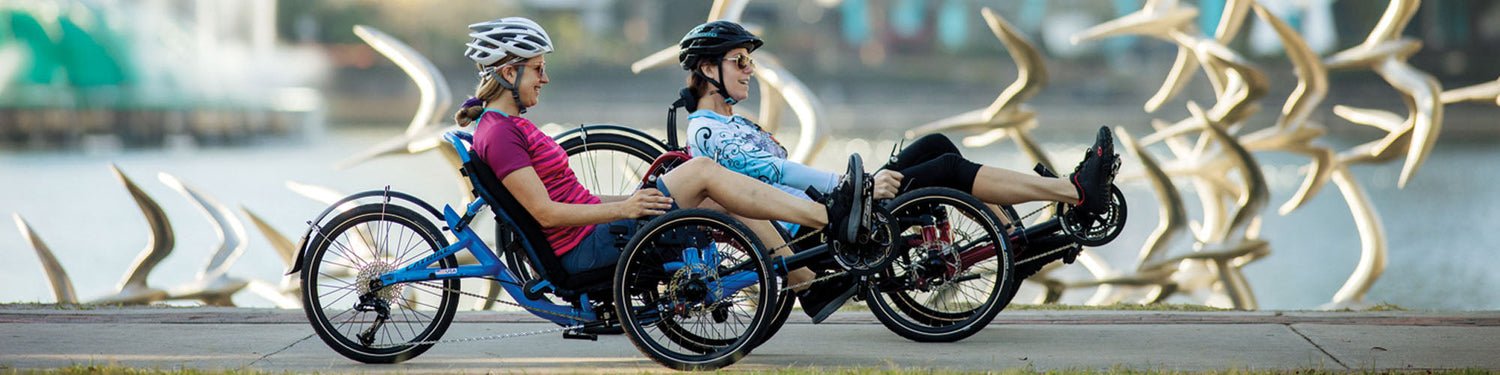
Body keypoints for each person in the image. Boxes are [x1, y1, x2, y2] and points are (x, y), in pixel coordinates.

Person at [453, 17, 866, 323]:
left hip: (596, 235)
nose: (544, 78)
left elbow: (575, 200)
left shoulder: (508, 127)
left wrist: (633, 201)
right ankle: (828, 217)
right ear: (509, 72)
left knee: (717, 195)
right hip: (585, 251)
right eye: (538, 68)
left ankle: (804, 280)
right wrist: (627, 209)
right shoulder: (501, 134)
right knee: (701, 170)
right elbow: (545, 213)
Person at [674, 21, 1120, 253]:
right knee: (945, 168)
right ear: (707, 69)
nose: (750, 71)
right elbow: (773, 172)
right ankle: (1074, 191)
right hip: (811, 225)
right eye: (740, 61)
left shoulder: (734, 123)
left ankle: (1012, 237)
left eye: (750, 62)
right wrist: (855, 186)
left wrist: (856, 185)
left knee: (935, 146)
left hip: (831, 202)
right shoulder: (707, 129)